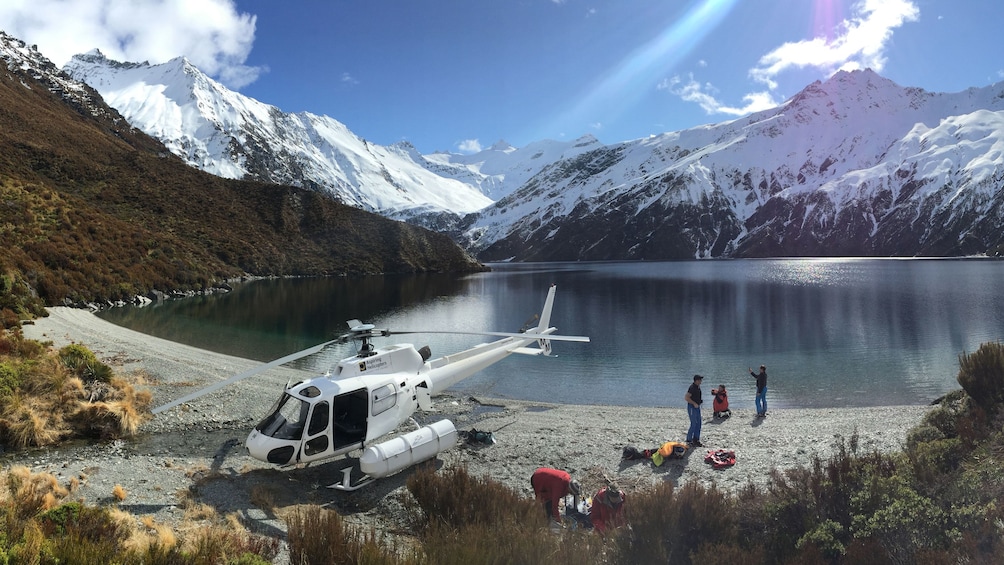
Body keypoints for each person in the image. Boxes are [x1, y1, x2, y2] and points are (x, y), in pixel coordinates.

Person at [684, 374, 704, 447]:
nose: (701, 381)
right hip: (692, 407)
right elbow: (686, 398)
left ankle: (696, 439)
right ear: (696, 380)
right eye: (700, 380)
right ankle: (689, 440)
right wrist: (694, 403)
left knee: (699, 423)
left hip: (697, 407)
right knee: (693, 423)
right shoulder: (692, 387)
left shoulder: (698, 387)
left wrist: (699, 401)